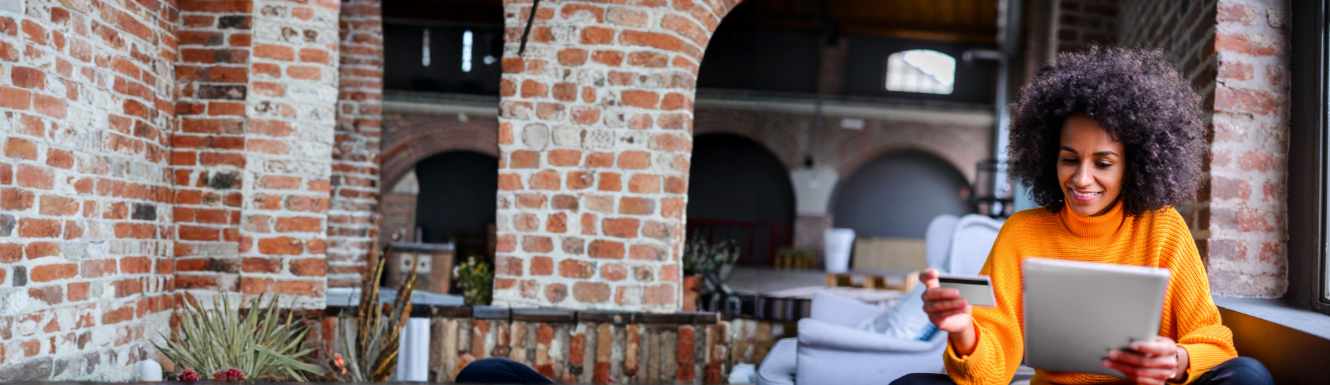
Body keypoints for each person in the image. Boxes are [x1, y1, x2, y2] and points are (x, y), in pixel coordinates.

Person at [892, 46, 1274, 385]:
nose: (1081, 178)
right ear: (1049, 157)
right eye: (1069, 159)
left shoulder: (1162, 227)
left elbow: (1216, 342)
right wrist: (963, 332)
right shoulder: (1022, 232)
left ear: (1133, 167)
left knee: (1249, 375)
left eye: (1103, 163)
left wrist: (1175, 361)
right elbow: (989, 374)